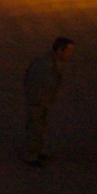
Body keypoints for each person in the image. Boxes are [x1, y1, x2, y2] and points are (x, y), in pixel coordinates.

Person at [21, 36, 75, 166]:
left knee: (39, 127)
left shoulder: (50, 61)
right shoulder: (46, 64)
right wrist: (41, 102)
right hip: (39, 101)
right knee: (36, 127)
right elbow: (39, 84)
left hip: (42, 101)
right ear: (59, 51)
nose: (70, 54)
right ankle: (31, 155)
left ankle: (36, 151)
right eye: (68, 51)